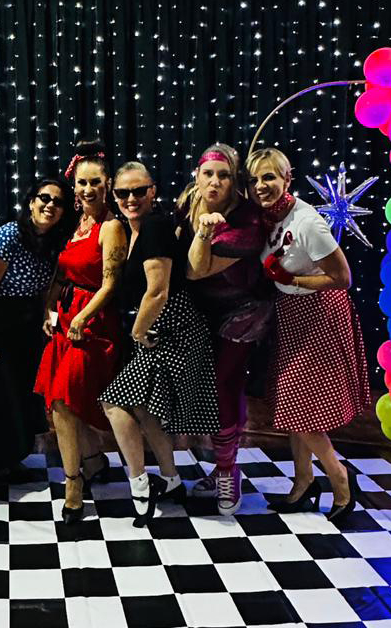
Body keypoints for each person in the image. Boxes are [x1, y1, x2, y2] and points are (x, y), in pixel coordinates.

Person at [247, 147, 370, 522]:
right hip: (291, 314)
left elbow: (343, 278)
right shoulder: (267, 218)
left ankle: (341, 480)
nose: (261, 185)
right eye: (254, 179)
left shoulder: (307, 222)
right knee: (295, 406)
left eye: (269, 177)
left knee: (298, 405)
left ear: (287, 178)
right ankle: (303, 483)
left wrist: (292, 278)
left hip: (319, 314)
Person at [99, 162, 220, 527]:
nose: (131, 198)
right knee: (146, 409)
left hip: (170, 328)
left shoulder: (154, 226)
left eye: (139, 191)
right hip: (160, 328)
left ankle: (140, 486)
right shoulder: (133, 229)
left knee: (113, 403)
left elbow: (158, 291)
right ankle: (170, 479)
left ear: (152, 191)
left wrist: (137, 332)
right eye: (123, 193)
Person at [34, 140, 127, 525]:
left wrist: (81, 318)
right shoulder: (74, 225)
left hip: (93, 324)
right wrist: (50, 308)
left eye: (95, 182)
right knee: (61, 403)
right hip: (66, 318)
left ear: (107, 185)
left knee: (64, 401)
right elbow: (61, 275)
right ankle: (92, 461)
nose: (88, 189)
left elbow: (110, 284)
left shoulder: (111, 227)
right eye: (82, 183)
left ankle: (73, 482)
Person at [176, 143, 271, 516]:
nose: (214, 182)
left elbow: (195, 270)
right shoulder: (187, 204)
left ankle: (229, 470)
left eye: (224, 175)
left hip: (244, 310)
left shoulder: (247, 221)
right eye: (208, 174)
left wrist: (202, 232)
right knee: (219, 387)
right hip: (203, 311)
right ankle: (222, 466)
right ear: (197, 175)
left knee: (222, 384)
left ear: (235, 181)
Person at [0, 176, 76, 481]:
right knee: (0, 391)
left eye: (58, 202)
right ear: (31, 202)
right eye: (44, 198)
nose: (50, 205)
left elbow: (49, 288)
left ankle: (13, 457)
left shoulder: (54, 241)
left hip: (28, 322)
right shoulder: (9, 235)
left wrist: (46, 317)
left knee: (22, 392)